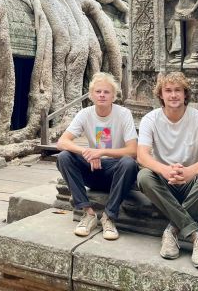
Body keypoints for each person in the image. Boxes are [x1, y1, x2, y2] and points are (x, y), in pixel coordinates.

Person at [137, 71, 198, 268]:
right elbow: (141, 156)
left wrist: (190, 172)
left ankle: (172, 230)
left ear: (186, 94)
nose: (173, 95)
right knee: (144, 176)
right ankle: (197, 236)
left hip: (191, 181)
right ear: (161, 95)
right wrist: (165, 170)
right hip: (163, 181)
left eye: (178, 90)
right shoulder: (150, 119)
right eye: (168, 90)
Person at [56, 72, 138, 240]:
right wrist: (87, 153)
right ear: (91, 95)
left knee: (129, 163)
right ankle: (88, 213)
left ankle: (109, 216)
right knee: (64, 157)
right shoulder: (85, 114)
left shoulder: (123, 114)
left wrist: (101, 152)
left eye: (106, 92)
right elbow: (62, 142)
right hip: (93, 169)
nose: (102, 95)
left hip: (116, 172)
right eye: (98, 91)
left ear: (114, 96)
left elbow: (133, 150)